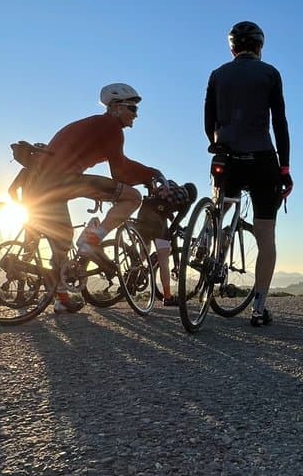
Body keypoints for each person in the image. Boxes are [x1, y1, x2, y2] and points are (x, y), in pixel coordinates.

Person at [22, 83, 165, 313]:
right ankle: (92, 240)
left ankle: (61, 298)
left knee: (62, 240)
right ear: (116, 107)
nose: (135, 116)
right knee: (132, 197)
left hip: (44, 182)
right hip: (64, 179)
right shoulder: (110, 126)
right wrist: (152, 174)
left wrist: (144, 176)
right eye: (133, 109)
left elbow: (121, 170)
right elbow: (120, 171)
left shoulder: (94, 124)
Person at [204, 21, 292, 328]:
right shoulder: (270, 73)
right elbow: (279, 123)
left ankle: (207, 239)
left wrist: (217, 144)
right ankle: (259, 307)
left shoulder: (217, 74)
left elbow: (208, 120)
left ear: (232, 48)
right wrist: (285, 168)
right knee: (266, 236)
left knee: (221, 204)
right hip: (263, 159)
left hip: (227, 157)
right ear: (259, 47)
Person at [133, 179, 197, 306]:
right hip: (158, 225)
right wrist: (170, 233)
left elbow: (162, 204)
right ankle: (167, 297)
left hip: (143, 214)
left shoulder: (172, 185)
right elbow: (175, 223)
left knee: (143, 253)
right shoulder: (186, 202)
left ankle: (129, 280)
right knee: (163, 260)